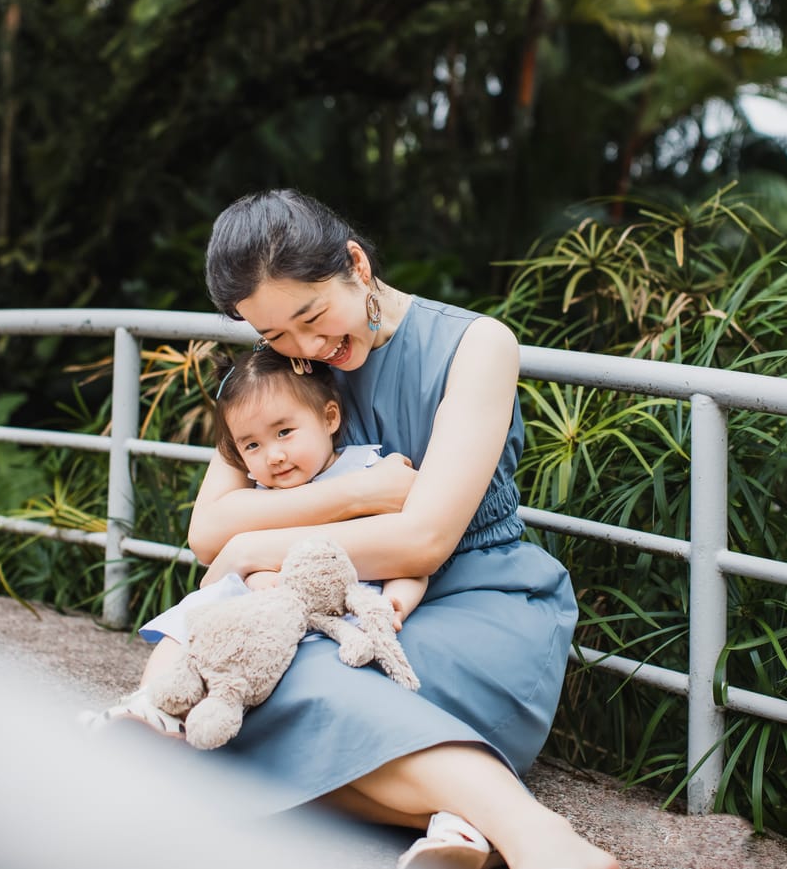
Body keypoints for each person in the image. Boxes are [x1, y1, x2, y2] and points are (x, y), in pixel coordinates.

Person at [184, 188, 620, 869]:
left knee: (271, 693)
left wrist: (250, 545)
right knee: (234, 696)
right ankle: (466, 814)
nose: (308, 347)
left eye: (312, 316)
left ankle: (539, 839)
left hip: (477, 601)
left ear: (356, 265)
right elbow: (207, 530)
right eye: (274, 335)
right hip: (337, 612)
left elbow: (424, 540)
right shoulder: (285, 372)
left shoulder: (475, 346)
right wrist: (358, 492)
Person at [84, 346, 426, 737]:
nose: (274, 456)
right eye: (252, 446)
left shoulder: (370, 472)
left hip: (336, 616)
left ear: (329, 417)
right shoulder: (259, 498)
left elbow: (407, 553)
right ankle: (150, 702)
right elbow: (217, 578)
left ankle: (191, 724)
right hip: (258, 609)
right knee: (196, 618)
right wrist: (255, 580)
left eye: (284, 432)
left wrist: (396, 600)